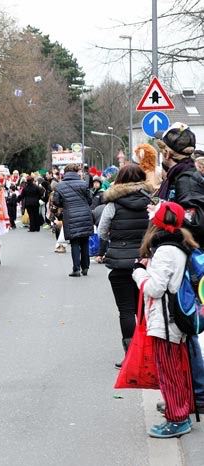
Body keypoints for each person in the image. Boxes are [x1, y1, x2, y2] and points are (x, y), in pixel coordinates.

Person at [132, 201, 198, 438]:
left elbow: (155, 289)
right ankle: (179, 408)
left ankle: (177, 418)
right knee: (176, 369)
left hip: (167, 320)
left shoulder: (165, 250)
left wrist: (139, 272)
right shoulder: (181, 245)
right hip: (177, 318)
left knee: (168, 372)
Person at [153, 122, 204, 420]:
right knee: (182, 328)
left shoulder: (186, 179)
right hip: (180, 256)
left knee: (184, 326)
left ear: (168, 153)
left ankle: (197, 394)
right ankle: (191, 393)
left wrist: (162, 219)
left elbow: (194, 219)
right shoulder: (179, 175)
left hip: (185, 260)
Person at [97, 164, 151, 368]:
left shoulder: (113, 203)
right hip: (145, 262)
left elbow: (101, 231)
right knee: (145, 310)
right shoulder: (150, 201)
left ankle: (130, 356)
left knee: (126, 310)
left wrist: (115, 238)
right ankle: (150, 353)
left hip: (120, 263)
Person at [53, 163, 94, 277]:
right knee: (85, 241)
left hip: (70, 215)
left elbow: (56, 201)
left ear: (65, 173)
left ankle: (76, 269)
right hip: (85, 214)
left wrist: (65, 204)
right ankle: (85, 267)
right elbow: (90, 200)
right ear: (77, 172)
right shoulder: (83, 183)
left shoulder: (60, 185)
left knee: (75, 242)